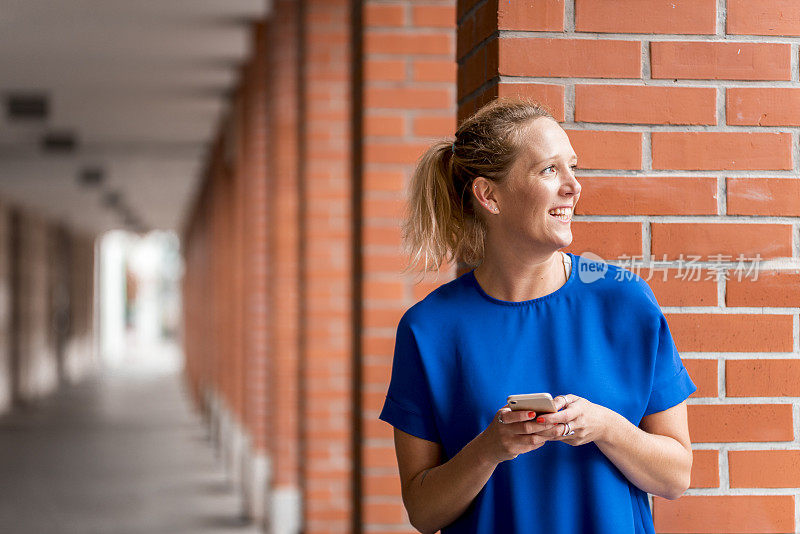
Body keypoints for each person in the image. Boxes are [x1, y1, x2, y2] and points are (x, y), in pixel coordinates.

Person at [378, 97, 696, 534]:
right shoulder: (430, 329)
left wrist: (605, 426)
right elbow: (423, 512)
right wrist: (490, 448)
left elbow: (676, 476)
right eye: (550, 170)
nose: (573, 186)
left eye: (573, 166)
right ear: (489, 195)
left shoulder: (625, 301)